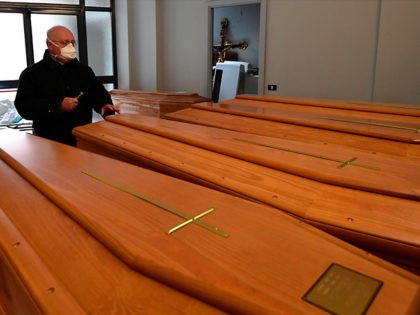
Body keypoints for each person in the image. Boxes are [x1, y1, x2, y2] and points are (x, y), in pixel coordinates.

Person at [15, 25, 119, 146]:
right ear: (50, 45)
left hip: (82, 138)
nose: (70, 47)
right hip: (48, 142)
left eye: (72, 43)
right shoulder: (32, 73)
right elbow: (24, 107)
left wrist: (105, 104)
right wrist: (58, 105)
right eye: (65, 43)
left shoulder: (85, 71)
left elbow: (98, 93)